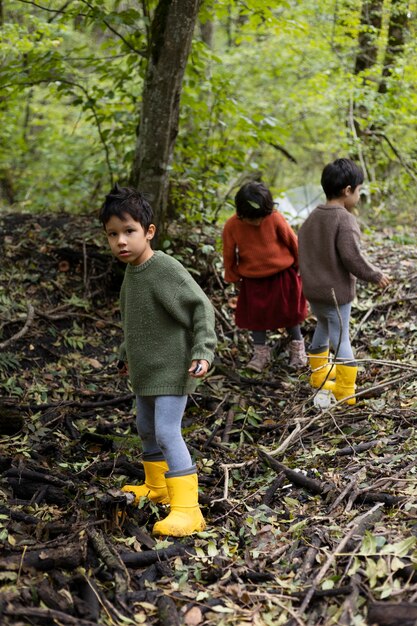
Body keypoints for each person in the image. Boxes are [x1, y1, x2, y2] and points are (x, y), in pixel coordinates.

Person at [99, 184, 216, 536]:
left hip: (172, 367)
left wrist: (203, 350)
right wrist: (124, 355)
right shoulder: (131, 275)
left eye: (129, 231)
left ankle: (188, 510)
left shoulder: (163, 268)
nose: (121, 241)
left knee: (167, 431)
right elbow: (134, 322)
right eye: (112, 234)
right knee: (145, 430)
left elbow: (201, 307)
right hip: (146, 371)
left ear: (149, 232)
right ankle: (158, 487)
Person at [298, 158, 390, 404]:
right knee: (341, 339)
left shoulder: (312, 218)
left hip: (313, 291)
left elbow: (303, 250)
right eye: (359, 190)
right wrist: (375, 275)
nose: (359, 196)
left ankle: (318, 377)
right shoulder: (344, 219)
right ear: (347, 190)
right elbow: (352, 257)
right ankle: (345, 391)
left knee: (324, 328)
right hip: (336, 293)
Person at [222, 181, 308, 372]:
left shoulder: (274, 218)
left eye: (261, 217)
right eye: (252, 219)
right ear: (241, 213)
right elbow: (229, 253)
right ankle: (261, 354)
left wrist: (301, 264)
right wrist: (233, 276)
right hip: (253, 279)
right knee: (256, 317)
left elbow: (293, 242)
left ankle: (298, 348)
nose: (257, 222)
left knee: (290, 313)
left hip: (282, 275)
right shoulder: (232, 226)